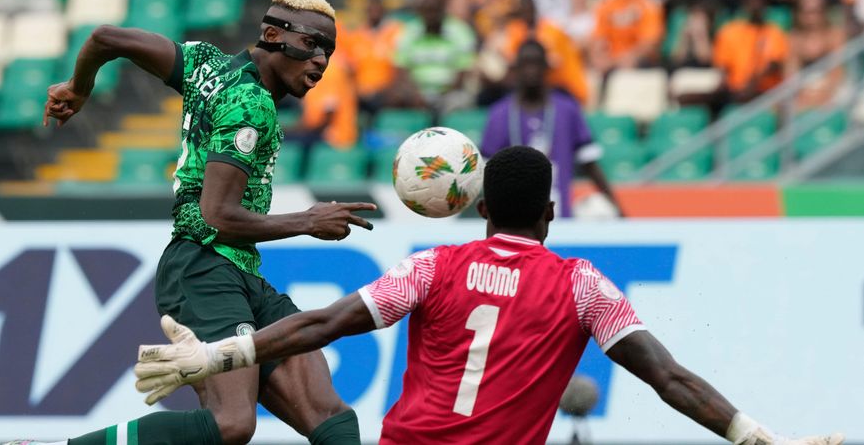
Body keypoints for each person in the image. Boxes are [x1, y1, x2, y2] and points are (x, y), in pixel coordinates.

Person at [132, 145, 844, 445]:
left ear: (480, 210)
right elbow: (670, 379)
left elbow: (325, 323)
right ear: (550, 214)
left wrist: (219, 357)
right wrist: (755, 437)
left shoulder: (432, 268)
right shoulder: (583, 287)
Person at [8, 0, 376, 445]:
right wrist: (308, 221)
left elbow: (106, 38)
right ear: (271, 34)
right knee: (231, 422)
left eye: (328, 50)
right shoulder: (250, 104)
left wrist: (78, 87)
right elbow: (216, 215)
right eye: (311, 43)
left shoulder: (205, 63)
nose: (320, 60)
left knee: (333, 420)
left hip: (237, 270)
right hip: (203, 266)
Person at [481, 39, 620, 218]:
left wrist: (617, 207)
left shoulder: (567, 109)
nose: (531, 70)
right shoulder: (499, 113)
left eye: (536, 63)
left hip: (560, 214)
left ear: (546, 67)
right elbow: (487, 171)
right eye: (525, 64)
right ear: (516, 68)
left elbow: (590, 164)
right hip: (514, 218)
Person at [681, 0, 788, 116]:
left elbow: (773, 65)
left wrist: (750, 85)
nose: (755, 3)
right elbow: (723, 69)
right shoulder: (730, 31)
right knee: (689, 98)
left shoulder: (774, 32)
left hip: (763, 92)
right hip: (734, 92)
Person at [499, 0, 590, 105]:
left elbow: (556, 61)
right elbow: (509, 57)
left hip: (564, 85)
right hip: (539, 88)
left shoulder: (550, 30)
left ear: (533, 10)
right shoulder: (517, 29)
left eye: (526, 10)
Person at [393, 0, 476, 113]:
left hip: (450, 92)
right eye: (427, 11)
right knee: (395, 98)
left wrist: (444, 94)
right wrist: (415, 93)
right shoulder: (409, 31)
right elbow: (401, 69)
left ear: (442, 11)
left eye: (434, 11)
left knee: (460, 101)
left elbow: (463, 70)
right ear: (420, 13)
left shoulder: (459, 30)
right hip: (417, 93)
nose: (431, 15)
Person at [590, 0, 664, 74]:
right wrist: (598, 57)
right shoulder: (608, 4)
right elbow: (598, 37)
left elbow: (650, 43)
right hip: (611, 61)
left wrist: (619, 60)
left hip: (638, 62)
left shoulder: (648, 3)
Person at [340, 0, 403, 116]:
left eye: (377, 10)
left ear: (383, 11)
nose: (374, 13)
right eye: (371, 10)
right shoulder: (356, 37)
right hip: (361, 92)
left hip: (386, 91)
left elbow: (400, 65)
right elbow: (350, 67)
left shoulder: (395, 32)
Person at [785, 0, 846, 109]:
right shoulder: (794, 37)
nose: (811, 17)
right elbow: (791, 73)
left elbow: (837, 71)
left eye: (816, 11)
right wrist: (802, 94)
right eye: (806, 11)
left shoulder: (834, 34)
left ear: (824, 12)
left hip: (833, 87)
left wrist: (823, 95)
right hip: (805, 88)